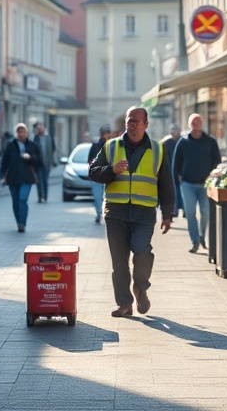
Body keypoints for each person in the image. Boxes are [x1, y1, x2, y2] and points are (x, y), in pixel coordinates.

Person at [88, 106, 174, 317]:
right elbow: (92, 172)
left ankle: (140, 288)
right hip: (115, 212)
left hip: (144, 212)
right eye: (129, 121)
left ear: (146, 124)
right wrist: (111, 170)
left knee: (142, 251)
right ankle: (124, 304)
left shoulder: (158, 150)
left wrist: (168, 214)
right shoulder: (110, 146)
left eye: (136, 122)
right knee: (119, 262)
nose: (132, 125)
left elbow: (166, 184)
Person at [172, 113, 222, 254]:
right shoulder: (183, 142)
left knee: (205, 212)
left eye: (198, 122)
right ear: (189, 125)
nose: (196, 125)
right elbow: (176, 163)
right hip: (188, 184)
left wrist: (213, 176)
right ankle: (194, 241)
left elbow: (217, 161)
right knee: (190, 213)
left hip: (206, 184)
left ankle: (201, 237)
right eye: (193, 122)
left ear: (202, 124)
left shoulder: (210, 142)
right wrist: (179, 178)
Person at [0, 122, 40, 232]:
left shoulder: (32, 145)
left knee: (22, 199)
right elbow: (5, 160)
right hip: (13, 178)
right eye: (19, 132)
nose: (21, 134)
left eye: (23, 132)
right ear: (16, 133)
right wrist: (2, 173)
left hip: (27, 178)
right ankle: (18, 222)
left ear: (26, 133)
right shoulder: (11, 145)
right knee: (15, 201)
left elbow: (38, 160)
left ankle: (22, 223)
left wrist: (30, 157)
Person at [87, 124, 112, 224]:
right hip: (97, 176)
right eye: (105, 133)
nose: (107, 135)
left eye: (108, 133)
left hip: (109, 176)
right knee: (97, 197)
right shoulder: (96, 146)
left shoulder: (114, 146)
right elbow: (90, 161)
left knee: (107, 197)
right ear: (101, 134)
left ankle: (105, 213)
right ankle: (99, 213)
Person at [160, 123, 183, 217]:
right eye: (172, 129)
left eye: (176, 129)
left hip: (182, 172)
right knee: (172, 192)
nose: (174, 131)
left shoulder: (183, 142)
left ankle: (185, 211)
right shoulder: (166, 143)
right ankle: (174, 211)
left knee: (182, 192)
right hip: (169, 172)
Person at [32, 122, 56, 202]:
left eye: (41, 128)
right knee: (38, 180)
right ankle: (40, 197)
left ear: (44, 129)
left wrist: (51, 161)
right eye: (38, 129)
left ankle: (45, 196)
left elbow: (53, 149)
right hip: (37, 164)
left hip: (46, 163)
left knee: (45, 180)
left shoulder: (48, 138)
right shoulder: (35, 138)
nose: (40, 130)